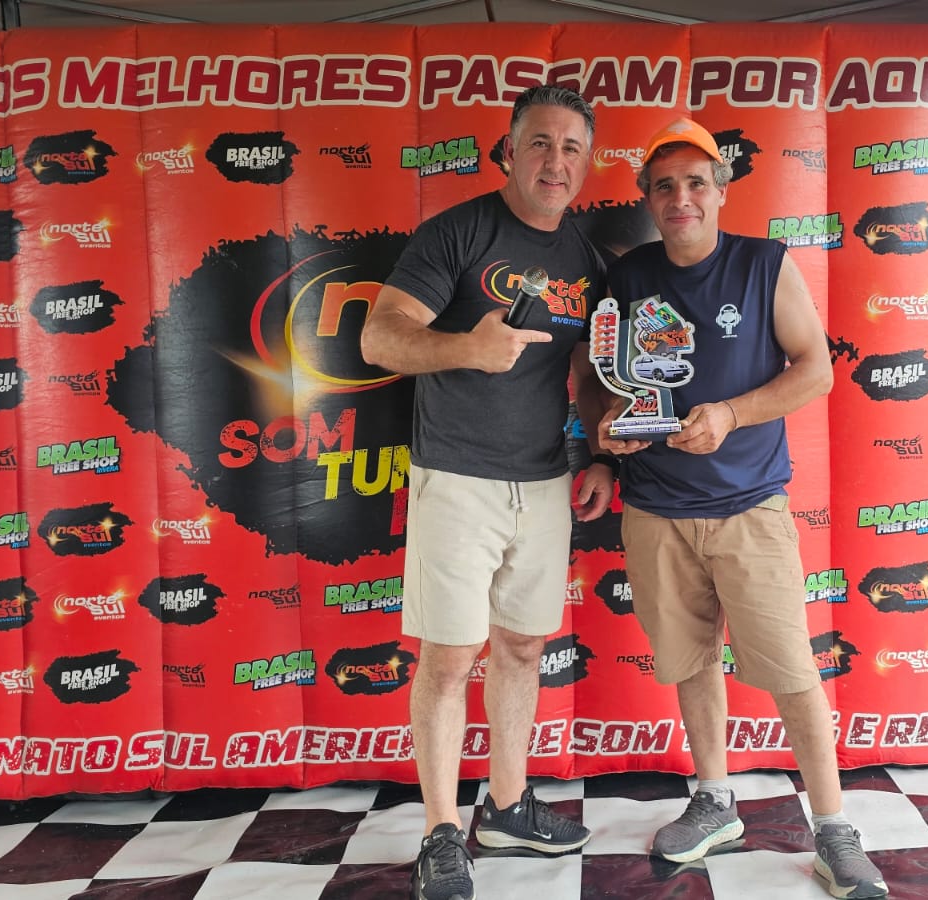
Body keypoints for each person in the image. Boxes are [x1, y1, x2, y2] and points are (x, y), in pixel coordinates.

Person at [587, 118, 889, 899]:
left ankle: (833, 829)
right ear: (648, 198)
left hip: (748, 508)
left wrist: (729, 414)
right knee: (689, 662)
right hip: (654, 508)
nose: (680, 197)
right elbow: (603, 379)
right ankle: (715, 800)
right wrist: (605, 438)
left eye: (696, 182)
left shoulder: (764, 263)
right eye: (664, 185)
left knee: (791, 672)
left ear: (721, 190)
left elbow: (816, 370)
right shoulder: (629, 277)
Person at [360, 84, 617, 900]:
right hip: (457, 477)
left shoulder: (586, 260)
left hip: (543, 482)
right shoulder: (459, 231)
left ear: (587, 163)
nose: (555, 161)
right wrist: (465, 348)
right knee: (447, 658)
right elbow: (378, 336)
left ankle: (506, 807)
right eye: (540, 143)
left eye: (571, 148)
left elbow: (584, 375)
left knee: (523, 648)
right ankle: (441, 832)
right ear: (509, 150)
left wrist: (598, 456)